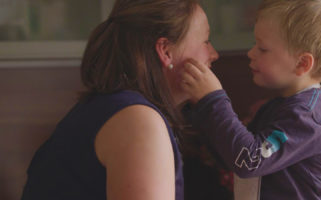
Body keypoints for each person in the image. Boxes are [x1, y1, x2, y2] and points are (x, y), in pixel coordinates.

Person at [21, 0, 218, 199]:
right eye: (206, 41)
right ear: (166, 51)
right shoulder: (138, 122)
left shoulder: (110, 108)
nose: (214, 54)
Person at [181, 0, 321, 199]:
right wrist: (198, 108)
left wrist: (212, 100)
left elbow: (250, 161)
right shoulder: (278, 107)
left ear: (302, 63)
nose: (250, 53)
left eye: (262, 48)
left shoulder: (308, 115)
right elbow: (234, 158)